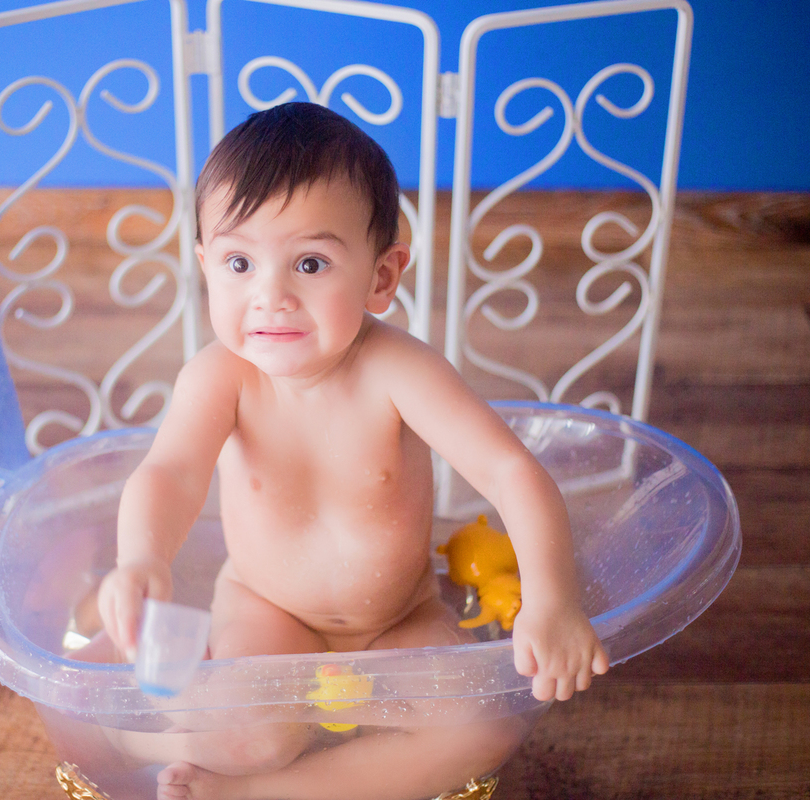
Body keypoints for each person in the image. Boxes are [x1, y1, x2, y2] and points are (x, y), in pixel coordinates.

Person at [93, 102, 609, 799]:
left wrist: (554, 601)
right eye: (239, 261)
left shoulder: (400, 372)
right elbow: (171, 474)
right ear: (205, 267)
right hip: (266, 611)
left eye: (310, 263)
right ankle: (132, 726)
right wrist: (141, 558)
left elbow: (510, 471)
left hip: (396, 621)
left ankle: (253, 798)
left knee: (485, 729)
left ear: (382, 276)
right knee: (253, 734)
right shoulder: (220, 377)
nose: (269, 295)